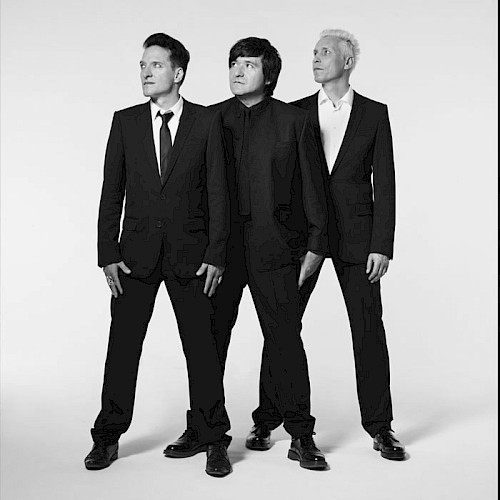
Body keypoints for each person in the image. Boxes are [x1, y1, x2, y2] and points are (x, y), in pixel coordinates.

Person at [166, 36, 330, 471]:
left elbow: (313, 186)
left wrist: (317, 245)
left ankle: (300, 434)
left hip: (277, 250)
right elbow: (192, 188)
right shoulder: (209, 119)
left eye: (249, 64)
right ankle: (202, 428)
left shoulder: (294, 121)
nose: (238, 71)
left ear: (269, 75)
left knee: (284, 342)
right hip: (217, 254)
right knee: (208, 343)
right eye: (234, 63)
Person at [85, 33, 233, 477]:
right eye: (143, 66)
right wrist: (107, 253)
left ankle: (213, 439)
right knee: (122, 349)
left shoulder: (206, 122)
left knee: (202, 351)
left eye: (156, 65)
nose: (146, 73)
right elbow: (111, 192)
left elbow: (219, 192)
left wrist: (217, 253)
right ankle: (107, 437)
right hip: (134, 257)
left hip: (193, 256)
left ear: (178, 73)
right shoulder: (125, 121)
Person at [282, 28, 404, 460]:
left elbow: (384, 182)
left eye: (326, 52)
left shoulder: (374, 113)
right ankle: (268, 417)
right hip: (305, 236)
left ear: (348, 62)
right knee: (283, 326)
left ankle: (381, 427)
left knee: (368, 330)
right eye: (314, 52)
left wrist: (381, 244)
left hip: (358, 238)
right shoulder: (295, 111)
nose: (316, 58)